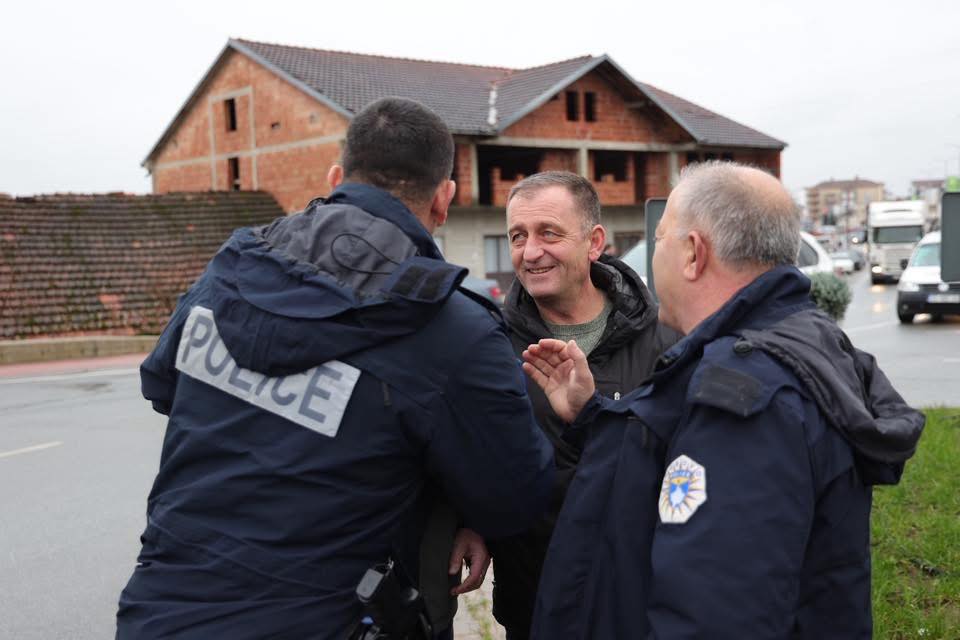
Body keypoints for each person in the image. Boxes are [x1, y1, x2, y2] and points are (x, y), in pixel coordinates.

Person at [115, 97, 555, 640]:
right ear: (444, 200)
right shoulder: (450, 329)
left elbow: (162, 384)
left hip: (160, 612)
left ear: (335, 176)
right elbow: (514, 496)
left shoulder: (232, 269)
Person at [522, 161, 925, 639]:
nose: (652, 257)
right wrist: (593, 417)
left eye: (661, 238)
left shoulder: (745, 403)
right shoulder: (795, 341)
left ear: (693, 253)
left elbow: (713, 614)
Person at [487, 171, 677, 640]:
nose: (530, 253)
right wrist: (466, 522)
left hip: (639, 594)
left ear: (594, 243)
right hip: (534, 598)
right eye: (518, 236)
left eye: (548, 233)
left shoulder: (666, 340)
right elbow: (471, 449)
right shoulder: (489, 344)